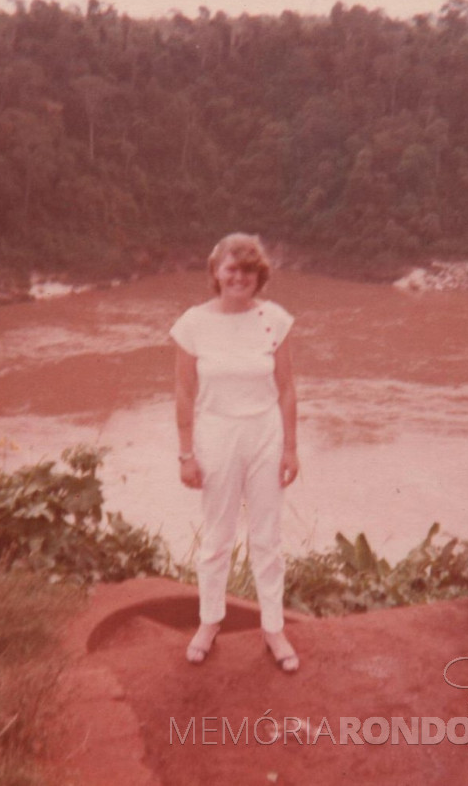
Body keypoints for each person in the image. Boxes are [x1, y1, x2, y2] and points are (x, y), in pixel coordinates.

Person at [169, 232, 300, 672]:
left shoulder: (275, 319)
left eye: (248, 270)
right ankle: (209, 622)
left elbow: (286, 389)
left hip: (264, 434)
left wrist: (291, 449)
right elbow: (184, 394)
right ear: (215, 272)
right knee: (217, 537)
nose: (239, 277)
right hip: (216, 435)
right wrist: (186, 455)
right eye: (231, 268)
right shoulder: (192, 325)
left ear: (258, 276)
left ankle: (274, 627)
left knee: (268, 537)